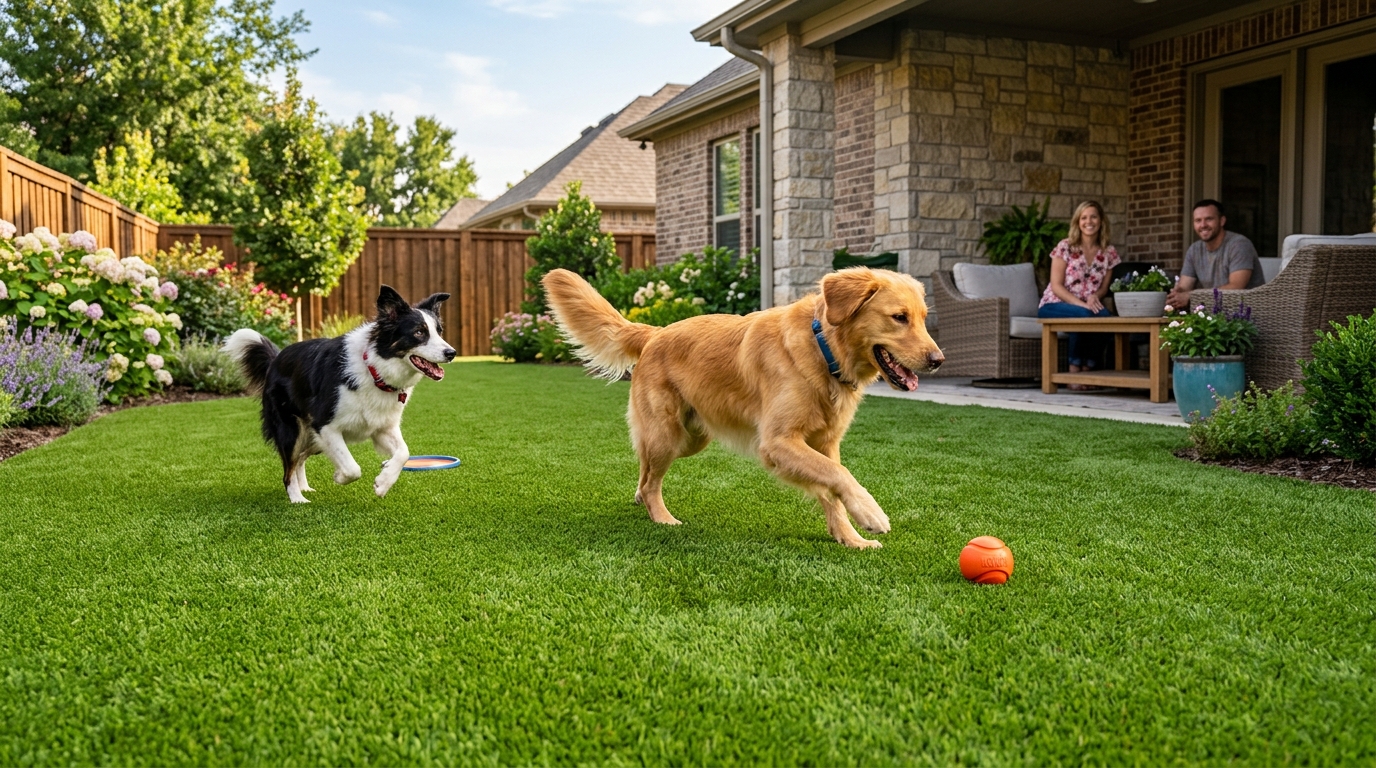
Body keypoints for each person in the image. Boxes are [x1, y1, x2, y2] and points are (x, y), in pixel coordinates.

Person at [1037, 200, 1120, 387]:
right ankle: (1074, 371)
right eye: (1084, 218)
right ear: (1077, 222)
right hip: (1054, 304)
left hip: (1088, 306)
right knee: (1082, 315)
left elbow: (1104, 288)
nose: (1088, 222)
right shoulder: (1065, 246)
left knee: (1105, 317)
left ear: (1101, 221)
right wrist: (1082, 304)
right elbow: (1056, 286)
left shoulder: (1109, 252)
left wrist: (1095, 296)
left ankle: (1088, 369)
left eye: (1093, 217)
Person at [1165, 199, 1264, 310]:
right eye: (1198, 220)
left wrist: (1192, 296)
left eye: (1209, 219)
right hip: (1213, 312)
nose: (1203, 225)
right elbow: (1184, 287)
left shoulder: (1239, 245)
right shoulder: (1194, 250)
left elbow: (1236, 287)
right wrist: (1177, 294)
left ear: (1222, 221)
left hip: (1246, 312)